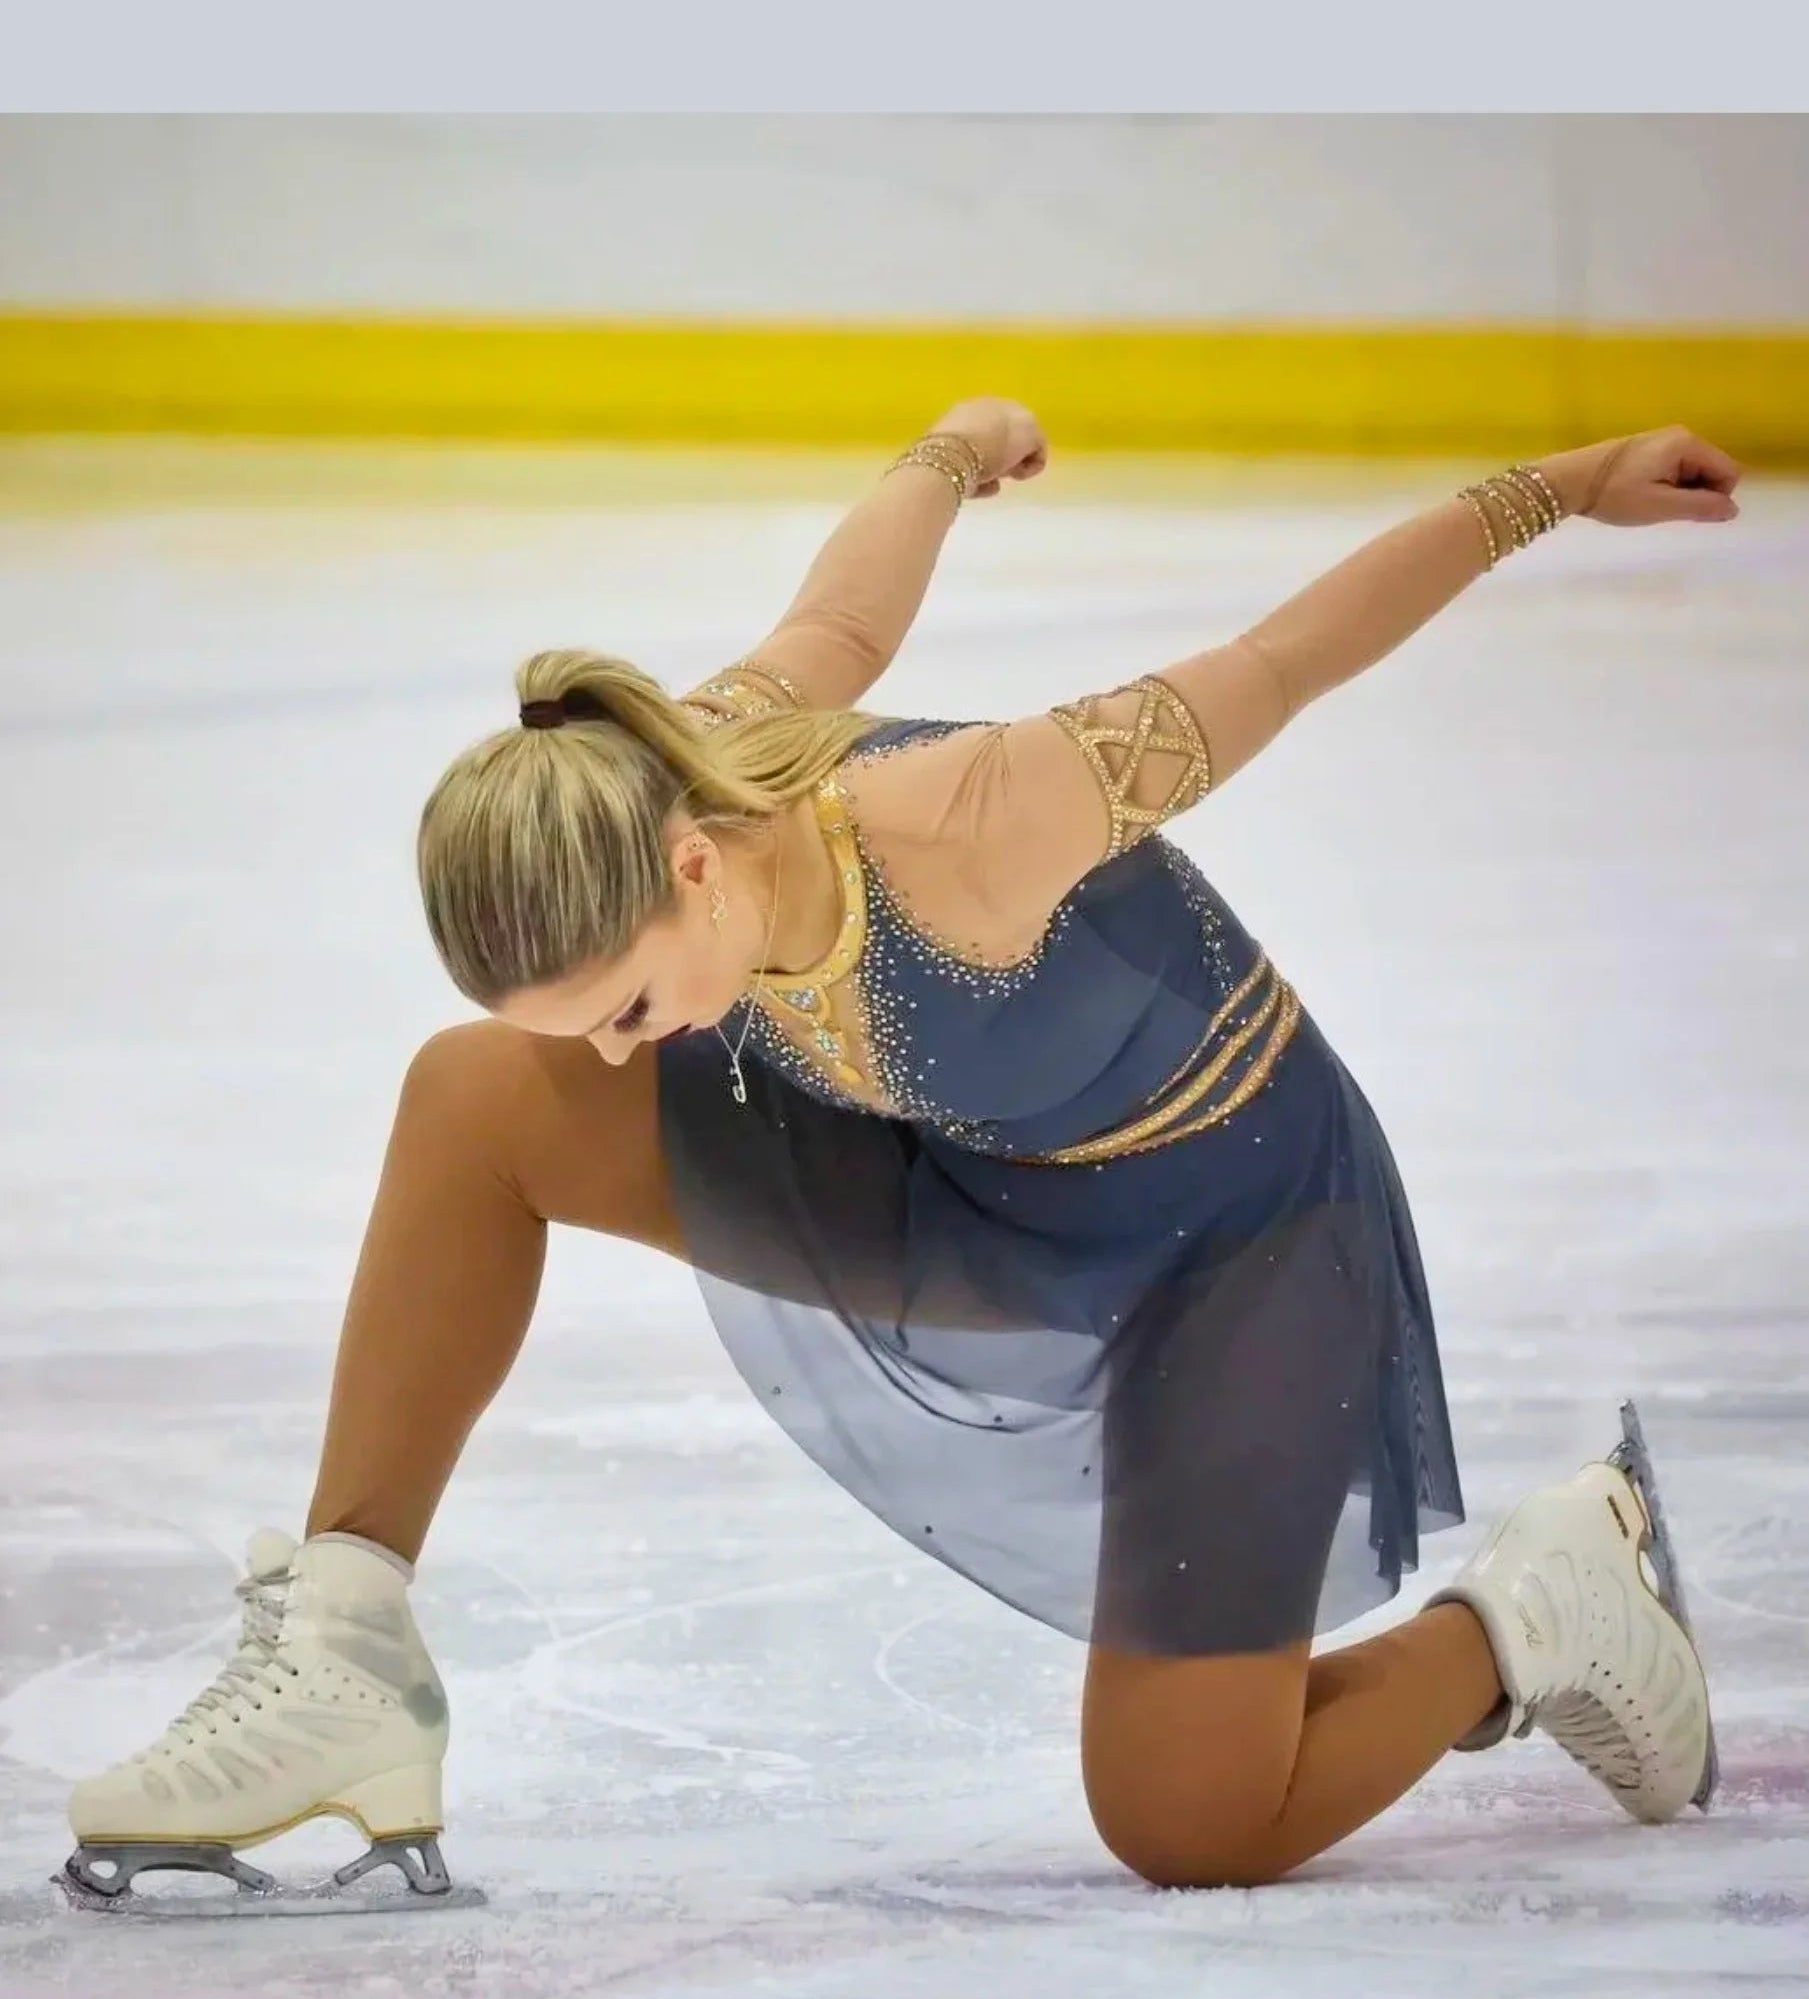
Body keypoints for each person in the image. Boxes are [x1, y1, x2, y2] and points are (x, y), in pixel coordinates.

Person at [59, 401, 1736, 1912]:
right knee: (475, 1097)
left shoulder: (982, 820)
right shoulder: (686, 753)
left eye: (629, 1004)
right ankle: (347, 1645)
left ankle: (1535, 1607)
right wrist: (950, 451)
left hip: (1234, 1235)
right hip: (966, 1192)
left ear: (697, 868)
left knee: (1193, 1817)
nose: (614, 1053)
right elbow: (846, 611)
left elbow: (1287, 656)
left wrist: (1568, 486)